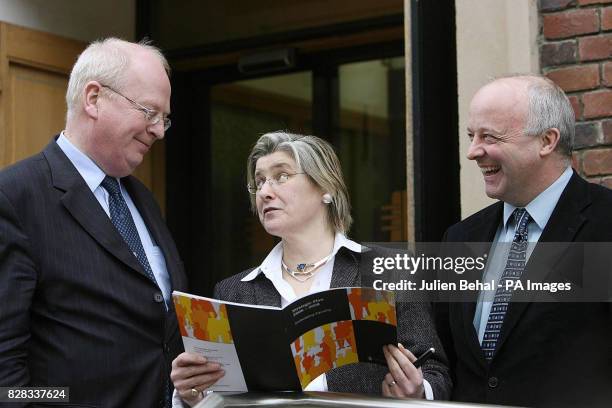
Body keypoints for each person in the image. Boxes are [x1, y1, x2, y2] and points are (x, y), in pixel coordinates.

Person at [170, 131, 451, 406]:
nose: (265, 192)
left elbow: (436, 373)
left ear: (325, 188)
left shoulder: (389, 271)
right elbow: (225, 395)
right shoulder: (234, 291)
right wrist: (195, 395)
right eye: (259, 182)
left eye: (282, 176)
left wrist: (417, 392)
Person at [0, 38, 187, 407]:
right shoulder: (15, 197)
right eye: (149, 112)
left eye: (164, 118)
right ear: (93, 99)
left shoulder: (143, 199)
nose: (159, 131)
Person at [435, 75, 612, 407]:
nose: (473, 152)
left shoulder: (605, 226)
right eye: (472, 136)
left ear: (546, 141)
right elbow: (445, 358)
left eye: (490, 136)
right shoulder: (460, 238)